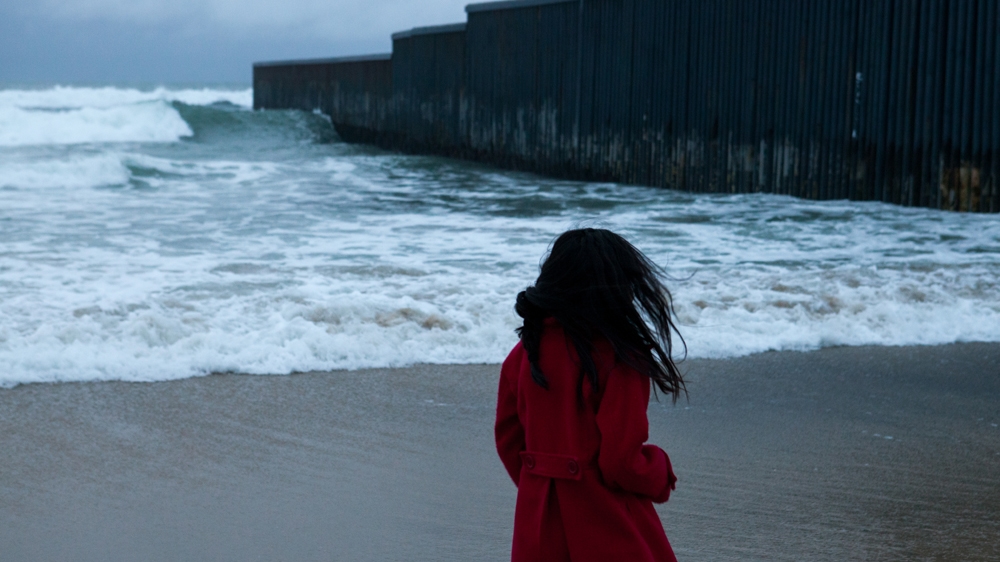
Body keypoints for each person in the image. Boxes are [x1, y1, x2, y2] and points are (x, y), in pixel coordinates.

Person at [495, 228, 686, 562]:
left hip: (537, 527)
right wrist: (658, 470)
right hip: (607, 525)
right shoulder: (620, 357)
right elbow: (621, 462)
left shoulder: (524, 354)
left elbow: (509, 440)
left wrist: (541, 488)